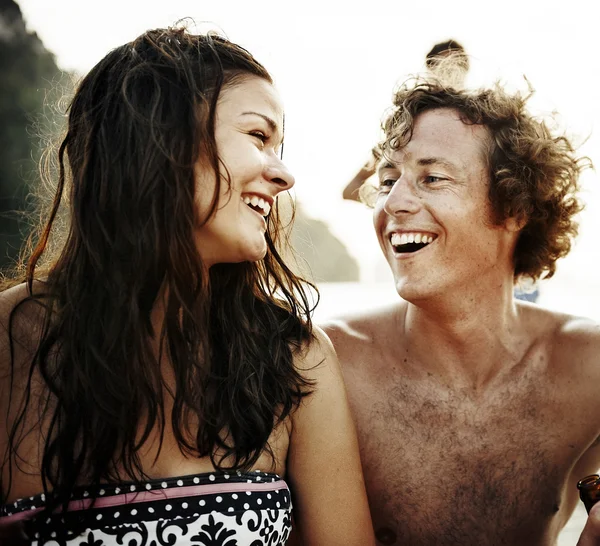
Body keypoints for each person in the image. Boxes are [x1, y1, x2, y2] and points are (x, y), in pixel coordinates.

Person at [0, 27, 375, 546]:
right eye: (258, 137)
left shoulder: (292, 359)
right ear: (163, 140)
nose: (284, 174)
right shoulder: (7, 344)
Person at [323, 74, 600, 545]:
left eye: (431, 178)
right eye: (388, 181)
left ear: (514, 208)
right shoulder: (329, 365)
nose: (393, 202)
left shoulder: (587, 366)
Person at [342, 39, 469, 203]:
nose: (448, 72)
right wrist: (392, 202)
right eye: (441, 65)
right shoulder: (403, 130)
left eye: (455, 65)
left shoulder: (478, 127)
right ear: (430, 69)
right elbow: (351, 189)